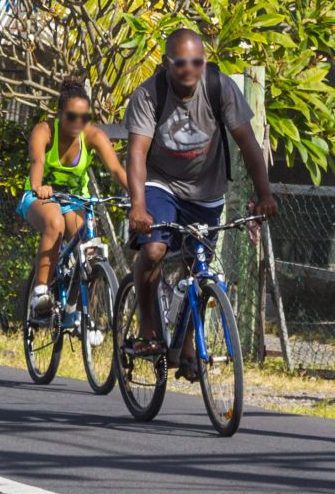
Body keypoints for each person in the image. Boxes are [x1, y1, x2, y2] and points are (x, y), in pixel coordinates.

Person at [125, 28, 277, 372]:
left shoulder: (220, 87)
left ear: (204, 61)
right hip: (159, 183)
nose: (190, 69)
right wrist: (137, 205)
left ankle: (190, 347)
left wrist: (264, 193)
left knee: (200, 269)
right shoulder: (149, 95)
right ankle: (148, 326)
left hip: (206, 190)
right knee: (153, 251)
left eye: (197, 61)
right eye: (181, 63)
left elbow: (248, 144)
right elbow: (136, 153)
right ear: (167, 63)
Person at [21, 78, 130, 322]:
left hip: (73, 199)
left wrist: (138, 196)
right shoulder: (44, 130)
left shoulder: (93, 136)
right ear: (59, 114)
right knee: (54, 223)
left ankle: (79, 310)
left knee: (90, 252)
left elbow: (116, 170)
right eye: (71, 116)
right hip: (40, 196)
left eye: (84, 117)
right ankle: (40, 292)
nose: (78, 123)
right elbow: (37, 163)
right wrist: (39, 187)